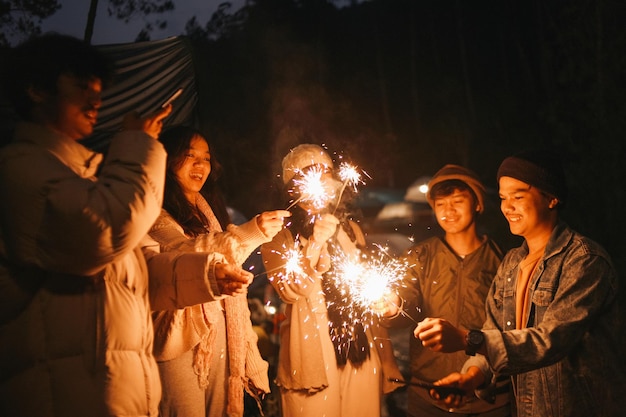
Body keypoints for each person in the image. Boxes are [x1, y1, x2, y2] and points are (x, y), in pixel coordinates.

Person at [0, 34, 251, 417]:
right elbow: (100, 236)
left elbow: (141, 274)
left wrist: (207, 277)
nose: (96, 100)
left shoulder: (92, 179)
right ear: (36, 90)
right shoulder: (20, 171)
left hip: (114, 387)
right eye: (82, 86)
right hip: (63, 392)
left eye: (99, 89)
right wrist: (136, 145)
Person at [413, 150, 626, 417]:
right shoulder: (512, 263)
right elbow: (496, 332)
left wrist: (467, 339)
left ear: (552, 198)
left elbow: (551, 340)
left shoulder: (584, 261)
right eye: (503, 198)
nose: (507, 207)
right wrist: (471, 377)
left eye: (518, 196)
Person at [146, 125, 291, 417]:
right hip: (181, 347)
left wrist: (252, 361)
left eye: (207, 158)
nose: (201, 165)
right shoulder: (153, 213)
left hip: (221, 343)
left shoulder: (209, 213)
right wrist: (252, 232)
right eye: (190, 156)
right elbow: (185, 253)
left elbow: (231, 283)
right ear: (167, 159)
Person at [260, 143, 403, 417]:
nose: (324, 178)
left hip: (359, 347)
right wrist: (315, 241)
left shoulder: (350, 228)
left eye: (328, 171)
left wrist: (386, 302)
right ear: (294, 183)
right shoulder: (280, 233)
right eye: (314, 172)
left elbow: (364, 291)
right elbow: (290, 290)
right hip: (313, 350)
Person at [379, 164, 510, 417]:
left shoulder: (503, 261)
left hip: (488, 399)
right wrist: (392, 307)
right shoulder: (420, 256)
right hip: (428, 396)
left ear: (478, 204)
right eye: (440, 204)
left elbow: (510, 329)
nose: (448, 211)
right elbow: (404, 304)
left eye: (457, 201)